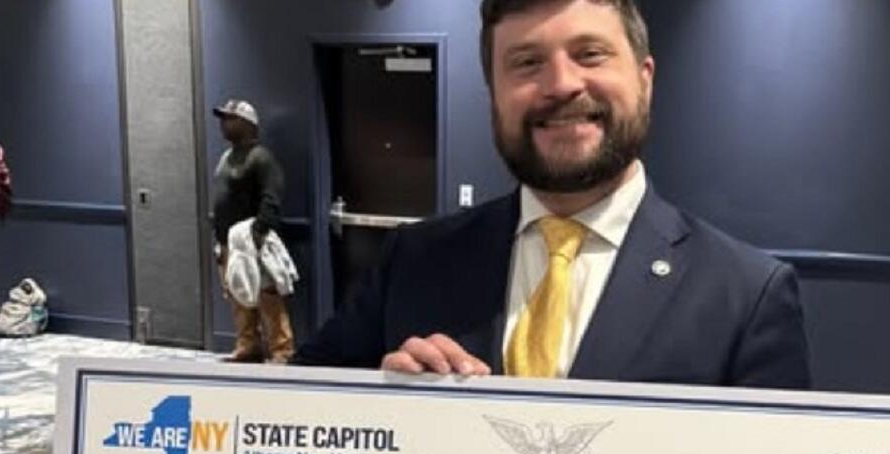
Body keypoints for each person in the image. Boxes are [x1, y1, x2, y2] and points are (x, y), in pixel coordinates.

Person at [293, 0, 810, 389]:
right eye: (526, 63)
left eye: (590, 54)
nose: (561, 84)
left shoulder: (747, 296)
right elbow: (295, 407)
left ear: (644, 80)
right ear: (493, 95)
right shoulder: (414, 258)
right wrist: (376, 398)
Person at [211, 99, 294, 364]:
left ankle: (282, 350)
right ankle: (248, 346)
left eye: (230, 118)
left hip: (252, 241)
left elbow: (272, 198)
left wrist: (258, 234)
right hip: (227, 242)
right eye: (223, 118)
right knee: (238, 295)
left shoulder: (261, 157)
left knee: (268, 296)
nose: (224, 123)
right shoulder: (226, 157)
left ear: (247, 124)